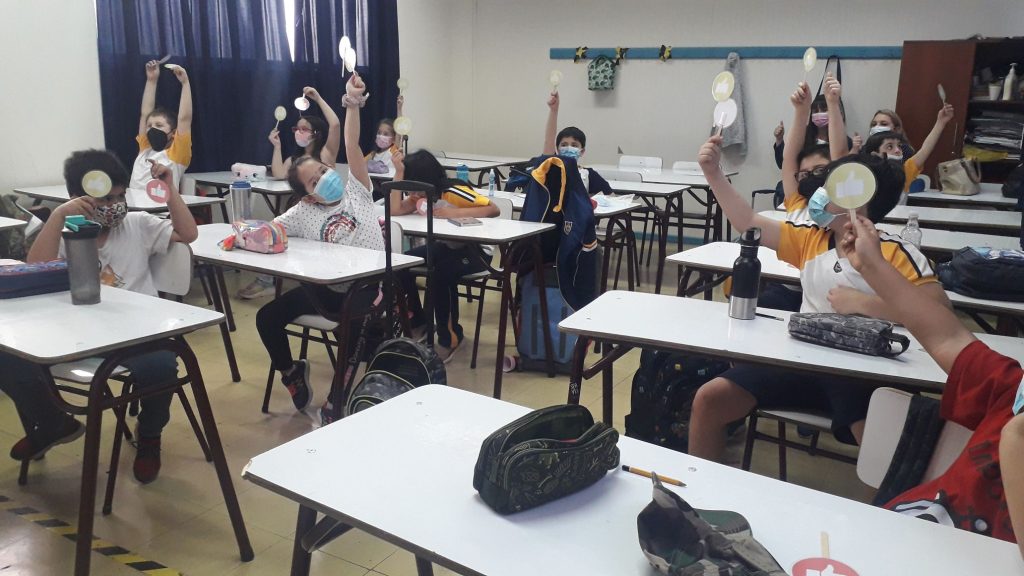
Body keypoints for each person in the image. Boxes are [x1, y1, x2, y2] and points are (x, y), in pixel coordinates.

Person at [687, 131, 950, 464]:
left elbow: (940, 312)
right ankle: (697, 488)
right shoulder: (811, 238)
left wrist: (864, 304)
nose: (820, 194)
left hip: (864, 371)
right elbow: (748, 221)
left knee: (881, 443)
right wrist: (713, 173)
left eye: (832, 187)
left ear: (858, 199)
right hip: (802, 359)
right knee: (709, 399)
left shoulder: (895, 252)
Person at [0, 149, 198, 484]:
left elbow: (188, 234)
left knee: (161, 364)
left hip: (137, 332)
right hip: (79, 332)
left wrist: (170, 190)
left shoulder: (138, 225)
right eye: (105, 199)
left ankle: (150, 435)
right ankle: (52, 423)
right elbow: (36, 266)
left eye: (120, 197)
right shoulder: (68, 231)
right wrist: (59, 216)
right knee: (8, 355)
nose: (115, 205)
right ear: (77, 198)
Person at [841, 214, 1023, 552]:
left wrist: (1016, 437)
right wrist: (872, 265)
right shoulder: (1013, 392)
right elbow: (947, 338)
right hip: (896, 539)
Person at [255, 72, 384, 413]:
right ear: (308, 196)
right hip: (328, 291)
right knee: (267, 317)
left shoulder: (357, 190)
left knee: (352, 327)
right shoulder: (302, 212)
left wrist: (353, 103)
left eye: (324, 172)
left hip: (367, 287)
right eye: (315, 181)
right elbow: (268, 231)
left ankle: (336, 398)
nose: (325, 179)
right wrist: (240, 235)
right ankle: (291, 374)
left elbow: (352, 145)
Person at [390, 149, 500, 362]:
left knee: (440, 274)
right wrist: (398, 173)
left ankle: (449, 338)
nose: (411, 194)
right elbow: (394, 210)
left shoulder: (453, 192)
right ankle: (419, 324)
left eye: (412, 186)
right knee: (402, 264)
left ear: (425, 180)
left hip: (476, 250)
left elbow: (493, 209)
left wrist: (454, 213)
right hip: (448, 247)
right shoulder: (420, 196)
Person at [239, 86, 342, 300]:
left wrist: (318, 98)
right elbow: (278, 173)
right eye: (297, 128)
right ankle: (267, 280)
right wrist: (276, 146)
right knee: (270, 233)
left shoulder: (325, 154)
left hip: (322, 214)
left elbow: (335, 125)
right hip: (298, 212)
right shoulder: (294, 159)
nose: (298, 132)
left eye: (304, 129)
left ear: (316, 134)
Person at [861, 104, 955, 193]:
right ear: (875, 154)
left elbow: (925, 149)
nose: (897, 150)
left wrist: (940, 122)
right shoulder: (863, 175)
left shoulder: (904, 173)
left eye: (898, 145)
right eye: (890, 147)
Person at [130, 60, 192, 192]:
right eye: (149, 125)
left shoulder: (177, 154)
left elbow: (184, 119)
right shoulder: (145, 148)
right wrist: (151, 80)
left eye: (159, 125)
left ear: (173, 133)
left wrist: (185, 83)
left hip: (162, 205)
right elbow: (145, 113)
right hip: (133, 204)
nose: (152, 129)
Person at [542, 91, 613, 195]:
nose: (569, 148)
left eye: (574, 145)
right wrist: (554, 111)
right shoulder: (552, 169)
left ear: (582, 151)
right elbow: (548, 141)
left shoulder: (588, 174)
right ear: (557, 149)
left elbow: (610, 196)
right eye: (564, 145)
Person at [366, 95, 404, 174]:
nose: (381, 136)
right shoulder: (373, 154)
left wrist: (399, 108)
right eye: (379, 133)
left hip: (390, 181)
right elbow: (360, 164)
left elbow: (399, 130)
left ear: (393, 139)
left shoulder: (393, 150)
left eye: (386, 134)